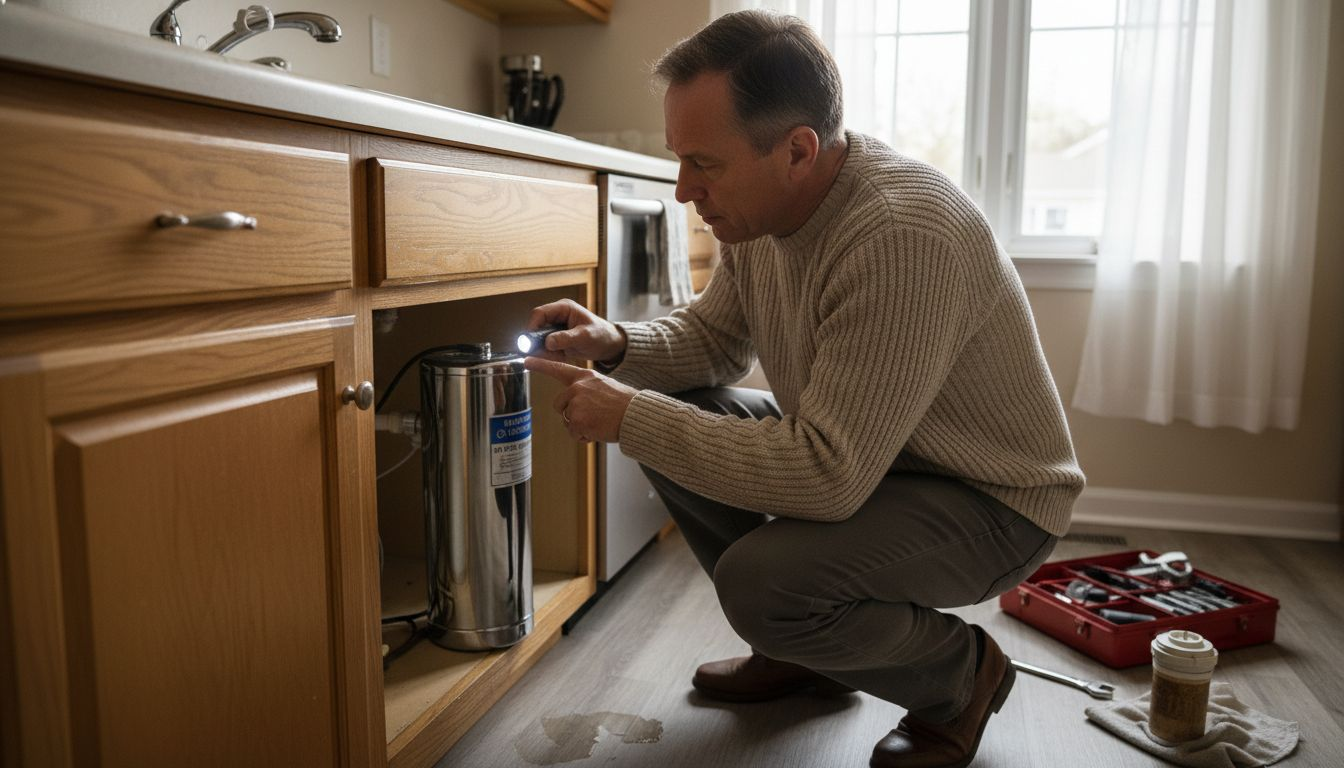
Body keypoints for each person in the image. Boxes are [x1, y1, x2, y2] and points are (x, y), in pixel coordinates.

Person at [522, 9, 1085, 768]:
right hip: (883, 466)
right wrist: (615, 343)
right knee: (680, 408)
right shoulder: (760, 217)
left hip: (991, 500)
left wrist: (630, 419)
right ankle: (809, 653)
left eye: (704, 163)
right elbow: (715, 345)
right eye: (678, 161)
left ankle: (959, 678)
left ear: (796, 150)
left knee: (759, 578)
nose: (684, 189)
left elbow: (827, 474)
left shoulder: (900, 233)